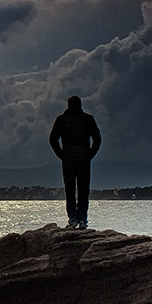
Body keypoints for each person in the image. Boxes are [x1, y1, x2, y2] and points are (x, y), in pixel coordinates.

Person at [49, 95, 101, 229]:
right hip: (72, 158)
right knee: (74, 190)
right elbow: (53, 139)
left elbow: (97, 138)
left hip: (80, 158)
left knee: (78, 190)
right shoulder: (62, 120)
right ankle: (75, 219)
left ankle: (80, 219)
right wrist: (61, 154)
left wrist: (90, 154)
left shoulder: (87, 119)